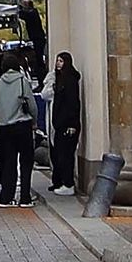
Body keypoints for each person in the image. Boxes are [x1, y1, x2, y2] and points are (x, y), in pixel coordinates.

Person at [0, 53, 37, 204]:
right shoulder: (22, 81)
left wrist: (2, 121)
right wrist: (34, 121)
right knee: (26, 162)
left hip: (5, 127)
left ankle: (6, 197)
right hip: (22, 125)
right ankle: (25, 197)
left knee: (9, 162)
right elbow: (31, 104)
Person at [51, 52, 83, 194]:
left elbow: (73, 103)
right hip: (60, 123)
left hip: (67, 123)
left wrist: (72, 124)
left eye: (61, 61)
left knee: (66, 154)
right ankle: (63, 181)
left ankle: (68, 183)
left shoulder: (70, 80)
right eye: (57, 61)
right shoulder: (60, 79)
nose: (58, 63)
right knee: (59, 153)